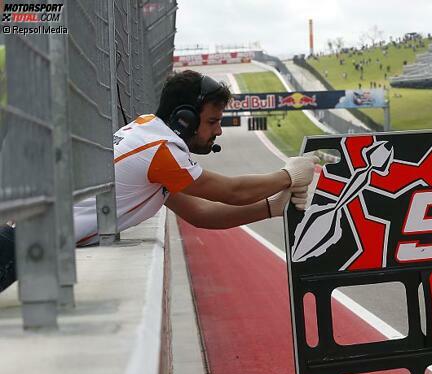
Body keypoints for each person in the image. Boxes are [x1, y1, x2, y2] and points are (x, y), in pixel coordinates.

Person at [0, 70, 317, 293]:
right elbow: (231, 192)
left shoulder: (146, 132)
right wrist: (288, 175)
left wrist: (270, 208)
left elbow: (199, 214)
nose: (218, 131)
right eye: (212, 122)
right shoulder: (160, 153)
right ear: (185, 119)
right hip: (18, 250)